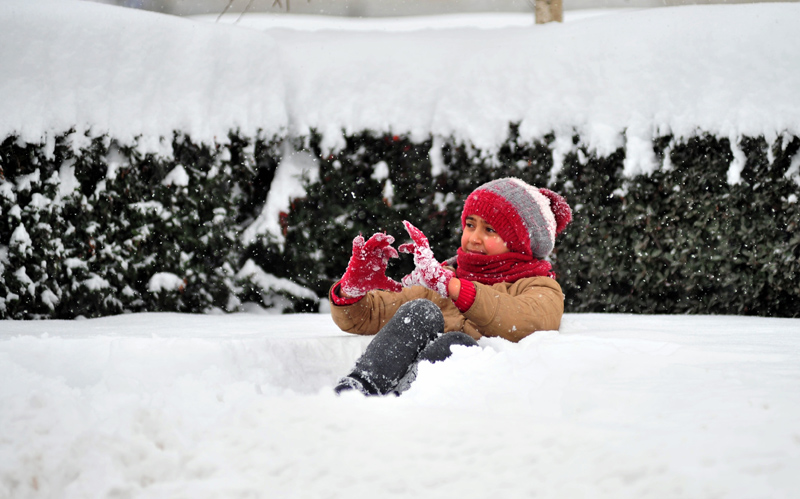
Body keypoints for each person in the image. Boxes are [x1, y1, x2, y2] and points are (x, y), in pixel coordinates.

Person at [328, 177, 572, 396]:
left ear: (520, 242)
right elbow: (369, 316)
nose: (474, 238)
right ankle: (358, 388)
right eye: (470, 225)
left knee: (457, 344)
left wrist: (454, 288)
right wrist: (352, 290)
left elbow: (527, 320)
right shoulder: (442, 279)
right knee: (420, 311)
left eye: (490, 230)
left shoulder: (539, 286)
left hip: (471, 402)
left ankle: (407, 399)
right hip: (397, 399)